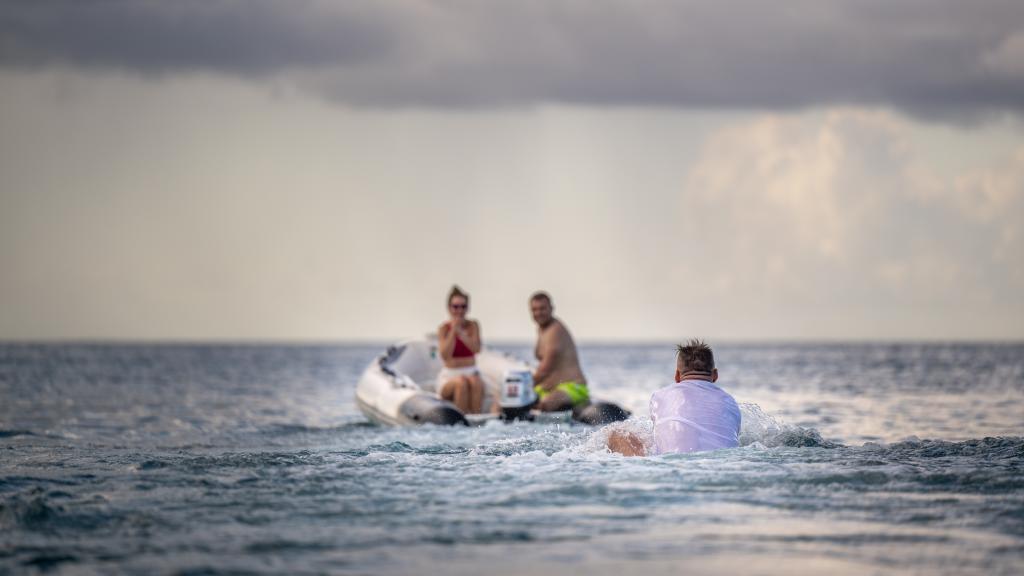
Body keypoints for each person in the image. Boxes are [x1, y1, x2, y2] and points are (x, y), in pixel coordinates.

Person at [608, 339, 741, 456]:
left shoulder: (659, 396)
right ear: (715, 375)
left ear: (677, 375)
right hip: (723, 461)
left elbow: (660, 436)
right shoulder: (730, 402)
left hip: (672, 462)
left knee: (617, 432)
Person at [529, 291, 591, 412]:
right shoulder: (541, 329)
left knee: (543, 404)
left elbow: (545, 370)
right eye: (534, 309)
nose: (538, 313)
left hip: (572, 387)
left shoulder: (555, 331)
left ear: (551, 308)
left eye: (542, 309)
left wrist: (524, 387)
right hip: (548, 388)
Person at [437, 285, 486, 414]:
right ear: (449, 308)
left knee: (476, 382)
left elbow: (476, 349)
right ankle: (461, 422)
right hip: (450, 375)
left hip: (471, 372)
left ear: (468, 308)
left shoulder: (473, 325)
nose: (459, 310)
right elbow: (444, 355)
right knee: (461, 382)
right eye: (455, 307)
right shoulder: (444, 329)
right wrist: (453, 331)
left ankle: (476, 419)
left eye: (463, 307)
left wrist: (462, 334)